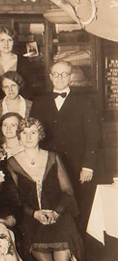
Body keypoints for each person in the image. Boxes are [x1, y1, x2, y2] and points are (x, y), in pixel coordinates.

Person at [6, 117, 88, 261]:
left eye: (33, 132)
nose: (28, 137)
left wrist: (57, 212)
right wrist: (33, 213)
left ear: (40, 135)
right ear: (19, 137)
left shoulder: (53, 157)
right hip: (29, 214)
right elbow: (14, 198)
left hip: (57, 211)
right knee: (32, 237)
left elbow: (67, 191)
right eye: (24, 133)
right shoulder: (12, 163)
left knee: (66, 231)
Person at [30, 60, 100, 219]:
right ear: (50, 77)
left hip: (77, 165)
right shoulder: (39, 102)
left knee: (79, 207)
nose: (60, 78)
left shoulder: (85, 102)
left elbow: (93, 135)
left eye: (64, 74)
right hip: (49, 164)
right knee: (53, 205)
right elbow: (32, 134)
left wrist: (88, 166)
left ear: (70, 77)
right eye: (56, 74)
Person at [0, 26, 35, 99]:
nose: (6, 44)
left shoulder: (24, 62)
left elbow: (29, 89)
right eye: (2, 40)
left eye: (9, 40)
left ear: (14, 42)